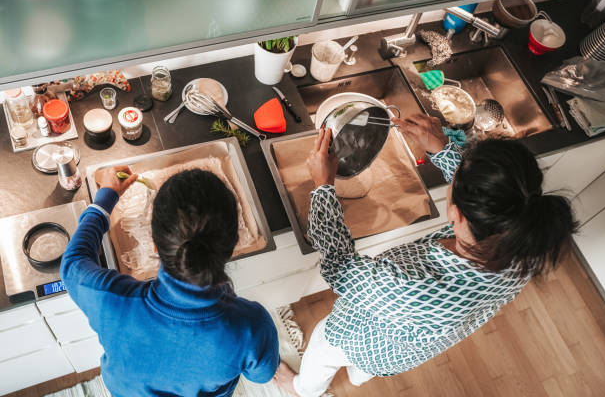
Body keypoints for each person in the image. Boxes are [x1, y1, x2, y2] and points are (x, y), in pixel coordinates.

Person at [274, 114, 577, 397]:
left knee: (323, 349)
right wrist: (444, 150)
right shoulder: (524, 244)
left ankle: (302, 388)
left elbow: (338, 267)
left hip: (356, 335)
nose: (455, 170)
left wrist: (323, 186)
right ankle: (357, 376)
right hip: (402, 351)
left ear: (456, 215)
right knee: (366, 367)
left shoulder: (409, 285)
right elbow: (488, 199)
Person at [61, 167, 279, 396]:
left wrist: (104, 199)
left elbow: (73, 263)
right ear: (234, 246)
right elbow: (262, 375)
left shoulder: (111, 300)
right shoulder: (252, 326)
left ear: (154, 244)